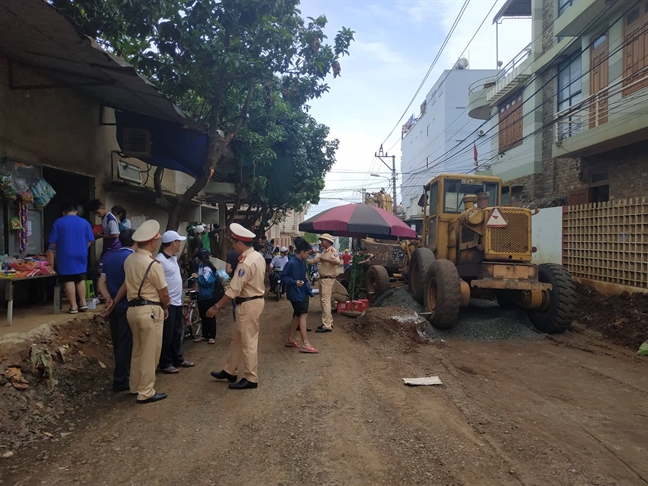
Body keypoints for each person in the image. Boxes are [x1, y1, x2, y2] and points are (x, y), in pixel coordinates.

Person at [113, 220, 170, 404]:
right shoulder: (153, 264)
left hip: (132, 310)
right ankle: (146, 391)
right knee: (150, 352)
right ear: (153, 242)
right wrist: (166, 306)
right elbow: (163, 292)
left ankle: (135, 385)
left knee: (137, 350)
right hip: (150, 310)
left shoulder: (130, 259)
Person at [208, 223, 265, 390]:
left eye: (233, 242)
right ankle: (230, 370)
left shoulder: (245, 263)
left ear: (240, 243)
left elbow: (234, 290)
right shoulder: (257, 256)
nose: (233, 246)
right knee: (237, 339)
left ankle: (251, 378)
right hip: (251, 302)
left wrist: (216, 307)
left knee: (248, 342)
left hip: (247, 303)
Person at [97, 229, 137, 392]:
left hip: (114, 306)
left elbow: (101, 281)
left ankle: (122, 377)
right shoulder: (132, 258)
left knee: (118, 342)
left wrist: (108, 298)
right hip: (126, 305)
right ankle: (122, 379)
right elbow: (128, 284)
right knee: (127, 345)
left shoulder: (110, 257)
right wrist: (115, 301)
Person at [157, 231, 195, 374]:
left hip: (177, 301)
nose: (180, 244)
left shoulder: (172, 258)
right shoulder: (160, 260)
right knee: (167, 333)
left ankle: (177, 358)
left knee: (176, 332)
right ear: (173, 243)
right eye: (178, 241)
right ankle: (165, 362)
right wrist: (165, 303)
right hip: (169, 303)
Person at [47, 203, 95, 314]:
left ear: (63, 212)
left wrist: (60, 249)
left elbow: (52, 243)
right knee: (80, 277)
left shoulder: (58, 222)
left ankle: (73, 306)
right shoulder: (84, 222)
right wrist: (83, 247)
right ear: (76, 211)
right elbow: (90, 240)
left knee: (68, 279)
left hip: (65, 254)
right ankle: (83, 303)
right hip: (81, 253)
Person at [282, 239, 317, 353]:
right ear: (302, 252)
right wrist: (294, 282)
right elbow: (283, 277)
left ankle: (290, 339)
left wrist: (310, 292)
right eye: (307, 253)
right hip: (294, 293)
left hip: (300, 293)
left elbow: (304, 278)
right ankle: (305, 343)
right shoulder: (291, 262)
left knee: (298, 315)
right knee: (303, 313)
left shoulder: (302, 262)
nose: (308, 255)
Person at [309, 233, 341, 333]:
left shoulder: (332, 251)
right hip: (322, 279)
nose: (321, 242)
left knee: (325, 302)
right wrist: (304, 260)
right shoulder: (324, 252)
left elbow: (337, 262)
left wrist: (324, 259)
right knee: (323, 302)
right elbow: (314, 261)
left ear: (328, 241)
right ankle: (327, 322)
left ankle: (327, 325)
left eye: (323, 240)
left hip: (328, 279)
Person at [194, 248, 225, 345]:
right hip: (202, 295)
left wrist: (197, 278)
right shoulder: (201, 266)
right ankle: (205, 334)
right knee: (203, 316)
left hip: (208, 295)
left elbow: (207, 281)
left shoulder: (207, 268)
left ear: (200, 258)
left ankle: (212, 336)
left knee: (210, 315)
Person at [89, 199, 121, 264]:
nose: (97, 215)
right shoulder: (104, 217)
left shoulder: (110, 219)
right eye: (95, 213)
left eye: (97, 212)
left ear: (102, 208)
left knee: (102, 266)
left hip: (113, 247)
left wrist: (101, 236)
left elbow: (115, 235)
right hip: (107, 246)